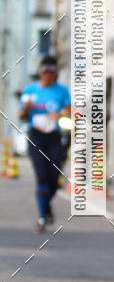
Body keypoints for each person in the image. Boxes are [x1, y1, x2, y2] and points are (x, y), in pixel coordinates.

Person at [18, 56, 71, 233]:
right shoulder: (30, 90)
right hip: (36, 137)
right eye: (45, 72)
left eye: (51, 72)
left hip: (54, 137)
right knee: (41, 177)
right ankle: (42, 217)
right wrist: (27, 107)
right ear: (40, 72)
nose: (48, 75)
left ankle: (46, 207)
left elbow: (68, 112)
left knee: (54, 180)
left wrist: (60, 114)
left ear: (55, 73)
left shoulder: (61, 91)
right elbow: (21, 115)